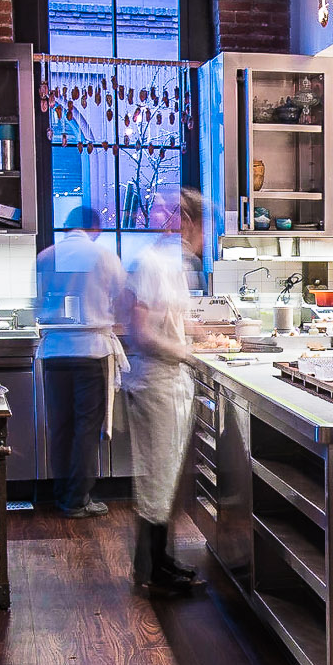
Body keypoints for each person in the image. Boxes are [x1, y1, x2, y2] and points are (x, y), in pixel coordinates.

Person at [122, 188, 205, 597]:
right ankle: (152, 570)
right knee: (157, 477)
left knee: (165, 475)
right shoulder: (152, 263)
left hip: (170, 382)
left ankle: (160, 561)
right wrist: (188, 354)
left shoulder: (174, 264)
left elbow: (175, 320)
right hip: (156, 383)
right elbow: (141, 333)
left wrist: (203, 337)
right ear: (186, 222)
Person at [37, 204, 127, 519]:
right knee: (86, 427)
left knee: (60, 427)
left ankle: (62, 494)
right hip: (91, 350)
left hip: (55, 352)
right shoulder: (103, 256)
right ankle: (77, 500)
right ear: (94, 228)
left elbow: (39, 301)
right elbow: (121, 295)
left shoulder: (45, 256)